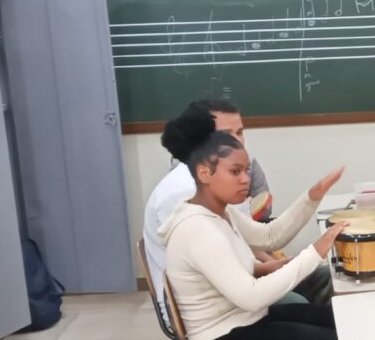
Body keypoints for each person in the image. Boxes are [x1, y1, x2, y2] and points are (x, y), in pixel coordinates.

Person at [158, 108, 375, 340]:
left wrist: (312, 196)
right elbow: (252, 295)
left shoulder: (218, 212)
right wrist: (314, 253)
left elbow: (270, 236)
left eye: (246, 170)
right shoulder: (198, 229)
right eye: (235, 172)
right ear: (204, 173)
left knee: (344, 324)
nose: (245, 179)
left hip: (245, 322)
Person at [142, 98, 331, 309]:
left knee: (324, 278)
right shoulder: (185, 192)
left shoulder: (218, 181)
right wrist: (306, 258)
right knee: (301, 305)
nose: (237, 141)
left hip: (236, 286)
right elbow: (239, 286)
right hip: (213, 305)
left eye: (240, 132)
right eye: (225, 134)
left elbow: (263, 237)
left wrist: (312, 197)